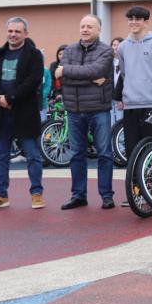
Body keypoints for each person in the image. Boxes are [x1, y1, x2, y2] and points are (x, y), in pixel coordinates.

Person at [0, 17, 45, 210]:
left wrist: (11, 98)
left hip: (24, 112)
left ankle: (37, 193)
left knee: (32, 155)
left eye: (17, 31)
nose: (13, 34)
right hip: (0, 112)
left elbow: (33, 80)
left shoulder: (34, 55)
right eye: (10, 31)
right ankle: (0, 195)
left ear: (25, 33)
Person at [58, 14, 116, 210]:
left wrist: (67, 71)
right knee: (76, 155)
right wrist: (88, 77)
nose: (85, 29)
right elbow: (65, 78)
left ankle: (107, 196)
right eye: (82, 26)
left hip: (98, 109)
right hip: (74, 110)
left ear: (99, 29)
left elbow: (95, 71)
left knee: (105, 154)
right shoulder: (69, 50)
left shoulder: (106, 51)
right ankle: (78, 195)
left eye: (89, 26)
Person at [114, 5, 152, 169]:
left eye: (138, 19)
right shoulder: (123, 47)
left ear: (146, 22)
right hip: (131, 105)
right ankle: (136, 191)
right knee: (132, 151)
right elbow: (125, 74)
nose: (133, 22)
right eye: (130, 19)